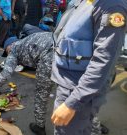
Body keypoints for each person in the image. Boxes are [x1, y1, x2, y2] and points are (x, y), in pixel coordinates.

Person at [50, 0, 127, 134]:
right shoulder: (86, 2)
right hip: (67, 85)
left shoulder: (112, 6)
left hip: (77, 92)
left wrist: (72, 103)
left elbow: (103, 62)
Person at [0, 25, 54, 135]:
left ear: (8, 47)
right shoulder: (26, 42)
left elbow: (5, 74)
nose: (7, 54)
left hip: (50, 55)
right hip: (62, 44)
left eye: (6, 52)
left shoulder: (14, 50)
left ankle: (40, 127)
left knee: (42, 94)